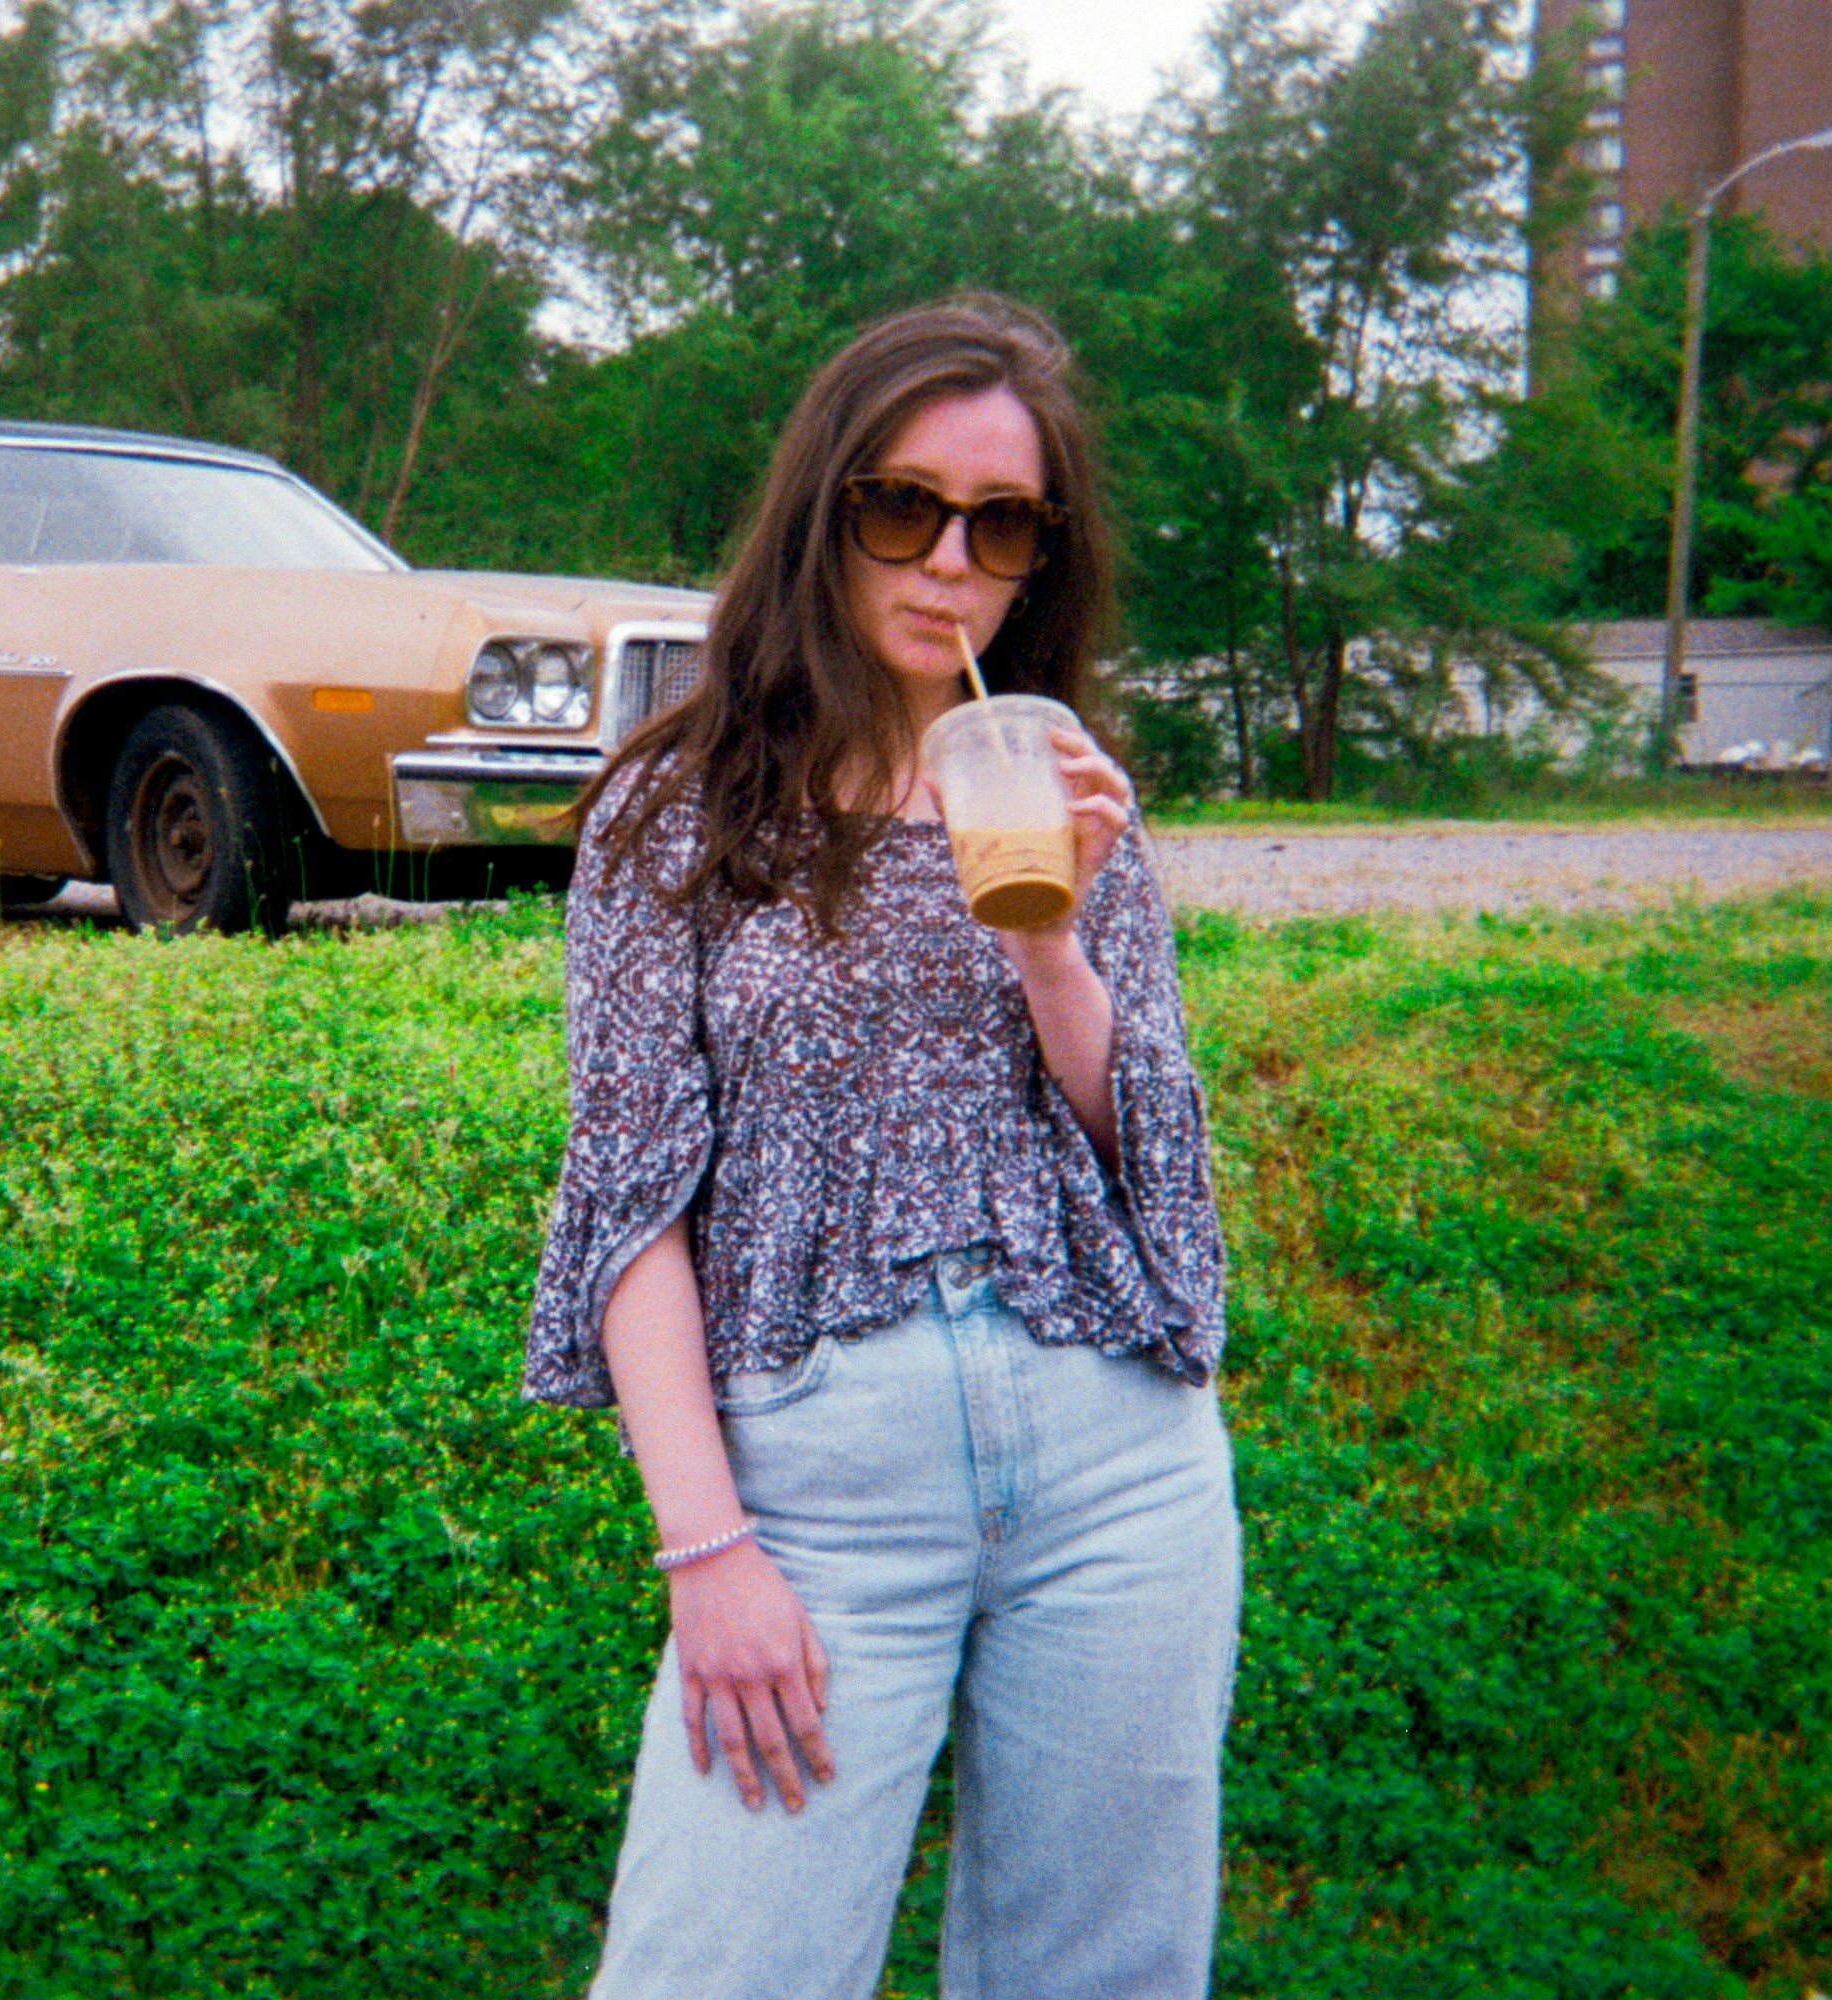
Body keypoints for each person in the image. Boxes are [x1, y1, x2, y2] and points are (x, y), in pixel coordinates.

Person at [522, 294, 1241, 2000]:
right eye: (900, 506)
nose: (947, 562)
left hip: (1113, 1468)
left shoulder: (1064, 786)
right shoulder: (673, 813)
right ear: (822, 510)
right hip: (820, 1491)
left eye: (1000, 526)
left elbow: (1147, 1156)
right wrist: (708, 1550)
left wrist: (1049, 934)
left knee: (1101, 1979)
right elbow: (628, 1203)